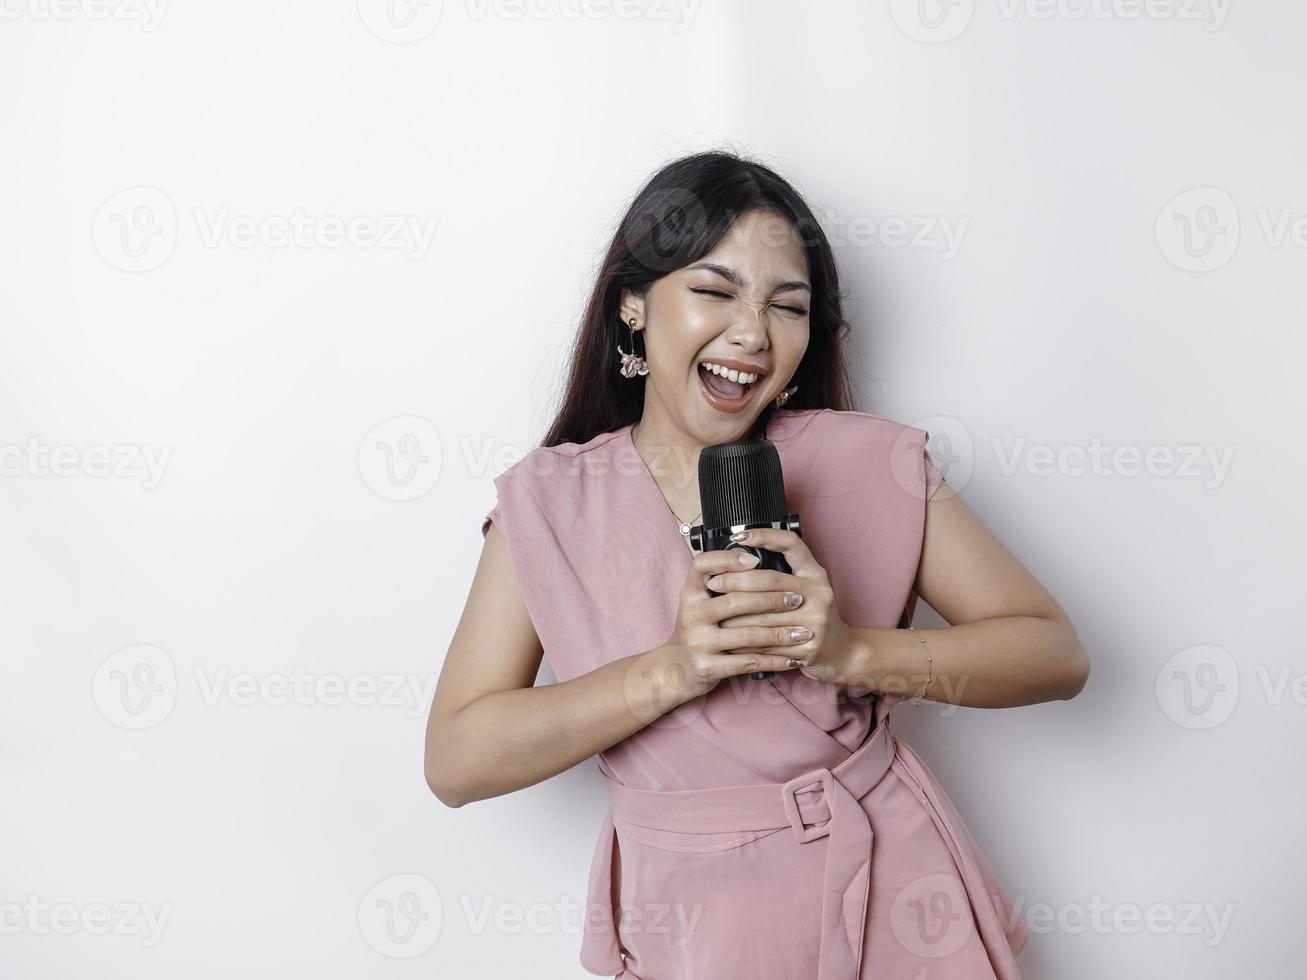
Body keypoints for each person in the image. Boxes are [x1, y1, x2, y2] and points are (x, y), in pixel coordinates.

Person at [423, 149, 1090, 979]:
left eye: (788, 305)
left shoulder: (872, 462)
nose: (751, 332)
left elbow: (1054, 656)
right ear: (633, 303)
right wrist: (673, 668)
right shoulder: (551, 502)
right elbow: (456, 760)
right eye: (714, 290)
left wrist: (851, 653)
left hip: (897, 893)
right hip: (695, 932)